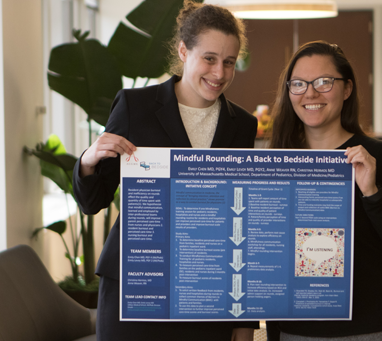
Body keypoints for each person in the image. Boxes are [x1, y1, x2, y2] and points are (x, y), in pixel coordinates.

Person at [72, 2, 258, 340]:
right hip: (135, 283)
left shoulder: (242, 125)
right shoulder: (134, 106)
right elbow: (92, 201)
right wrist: (88, 160)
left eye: (229, 62)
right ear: (184, 51)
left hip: (206, 285)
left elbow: (240, 220)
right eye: (210, 58)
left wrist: (244, 322)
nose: (219, 73)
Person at [266, 41, 382, 341]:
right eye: (299, 84)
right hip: (298, 327)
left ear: (347, 88)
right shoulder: (277, 163)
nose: (310, 93)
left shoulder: (380, 157)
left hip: (372, 326)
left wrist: (372, 192)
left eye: (324, 82)